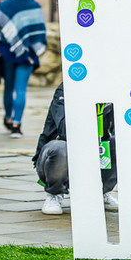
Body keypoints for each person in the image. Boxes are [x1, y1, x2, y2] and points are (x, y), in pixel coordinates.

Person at [34, 84, 119, 214]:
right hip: (59, 156)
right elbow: (65, 130)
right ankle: (54, 194)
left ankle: (102, 191)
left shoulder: (112, 91)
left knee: (121, 143)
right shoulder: (66, 89)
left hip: (98, 153)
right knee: (60, 148)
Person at [0, 0, 47, 138]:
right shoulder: (35, 6)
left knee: (8, 87)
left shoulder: (5, 5)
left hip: (7, 52)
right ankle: (17, 124)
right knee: (21, 89)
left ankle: (8, 119)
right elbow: (39, 33)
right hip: (27, 54)